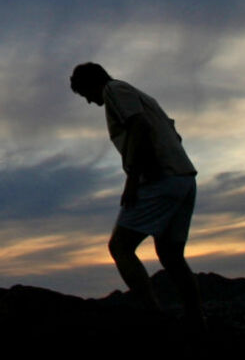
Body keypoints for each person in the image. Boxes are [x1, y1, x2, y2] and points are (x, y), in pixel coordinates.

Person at [70, 62, 205, 329]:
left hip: (161, 179)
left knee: (120, 246)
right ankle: (196, 318)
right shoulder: (143, 97)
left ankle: (153, 315)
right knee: (171, 255)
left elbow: (139, 126)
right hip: (183, 178)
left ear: (91, 83)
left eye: (84, 93)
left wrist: (133, 178)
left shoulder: (114, 91)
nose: (88, 101)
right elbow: (173, 134)